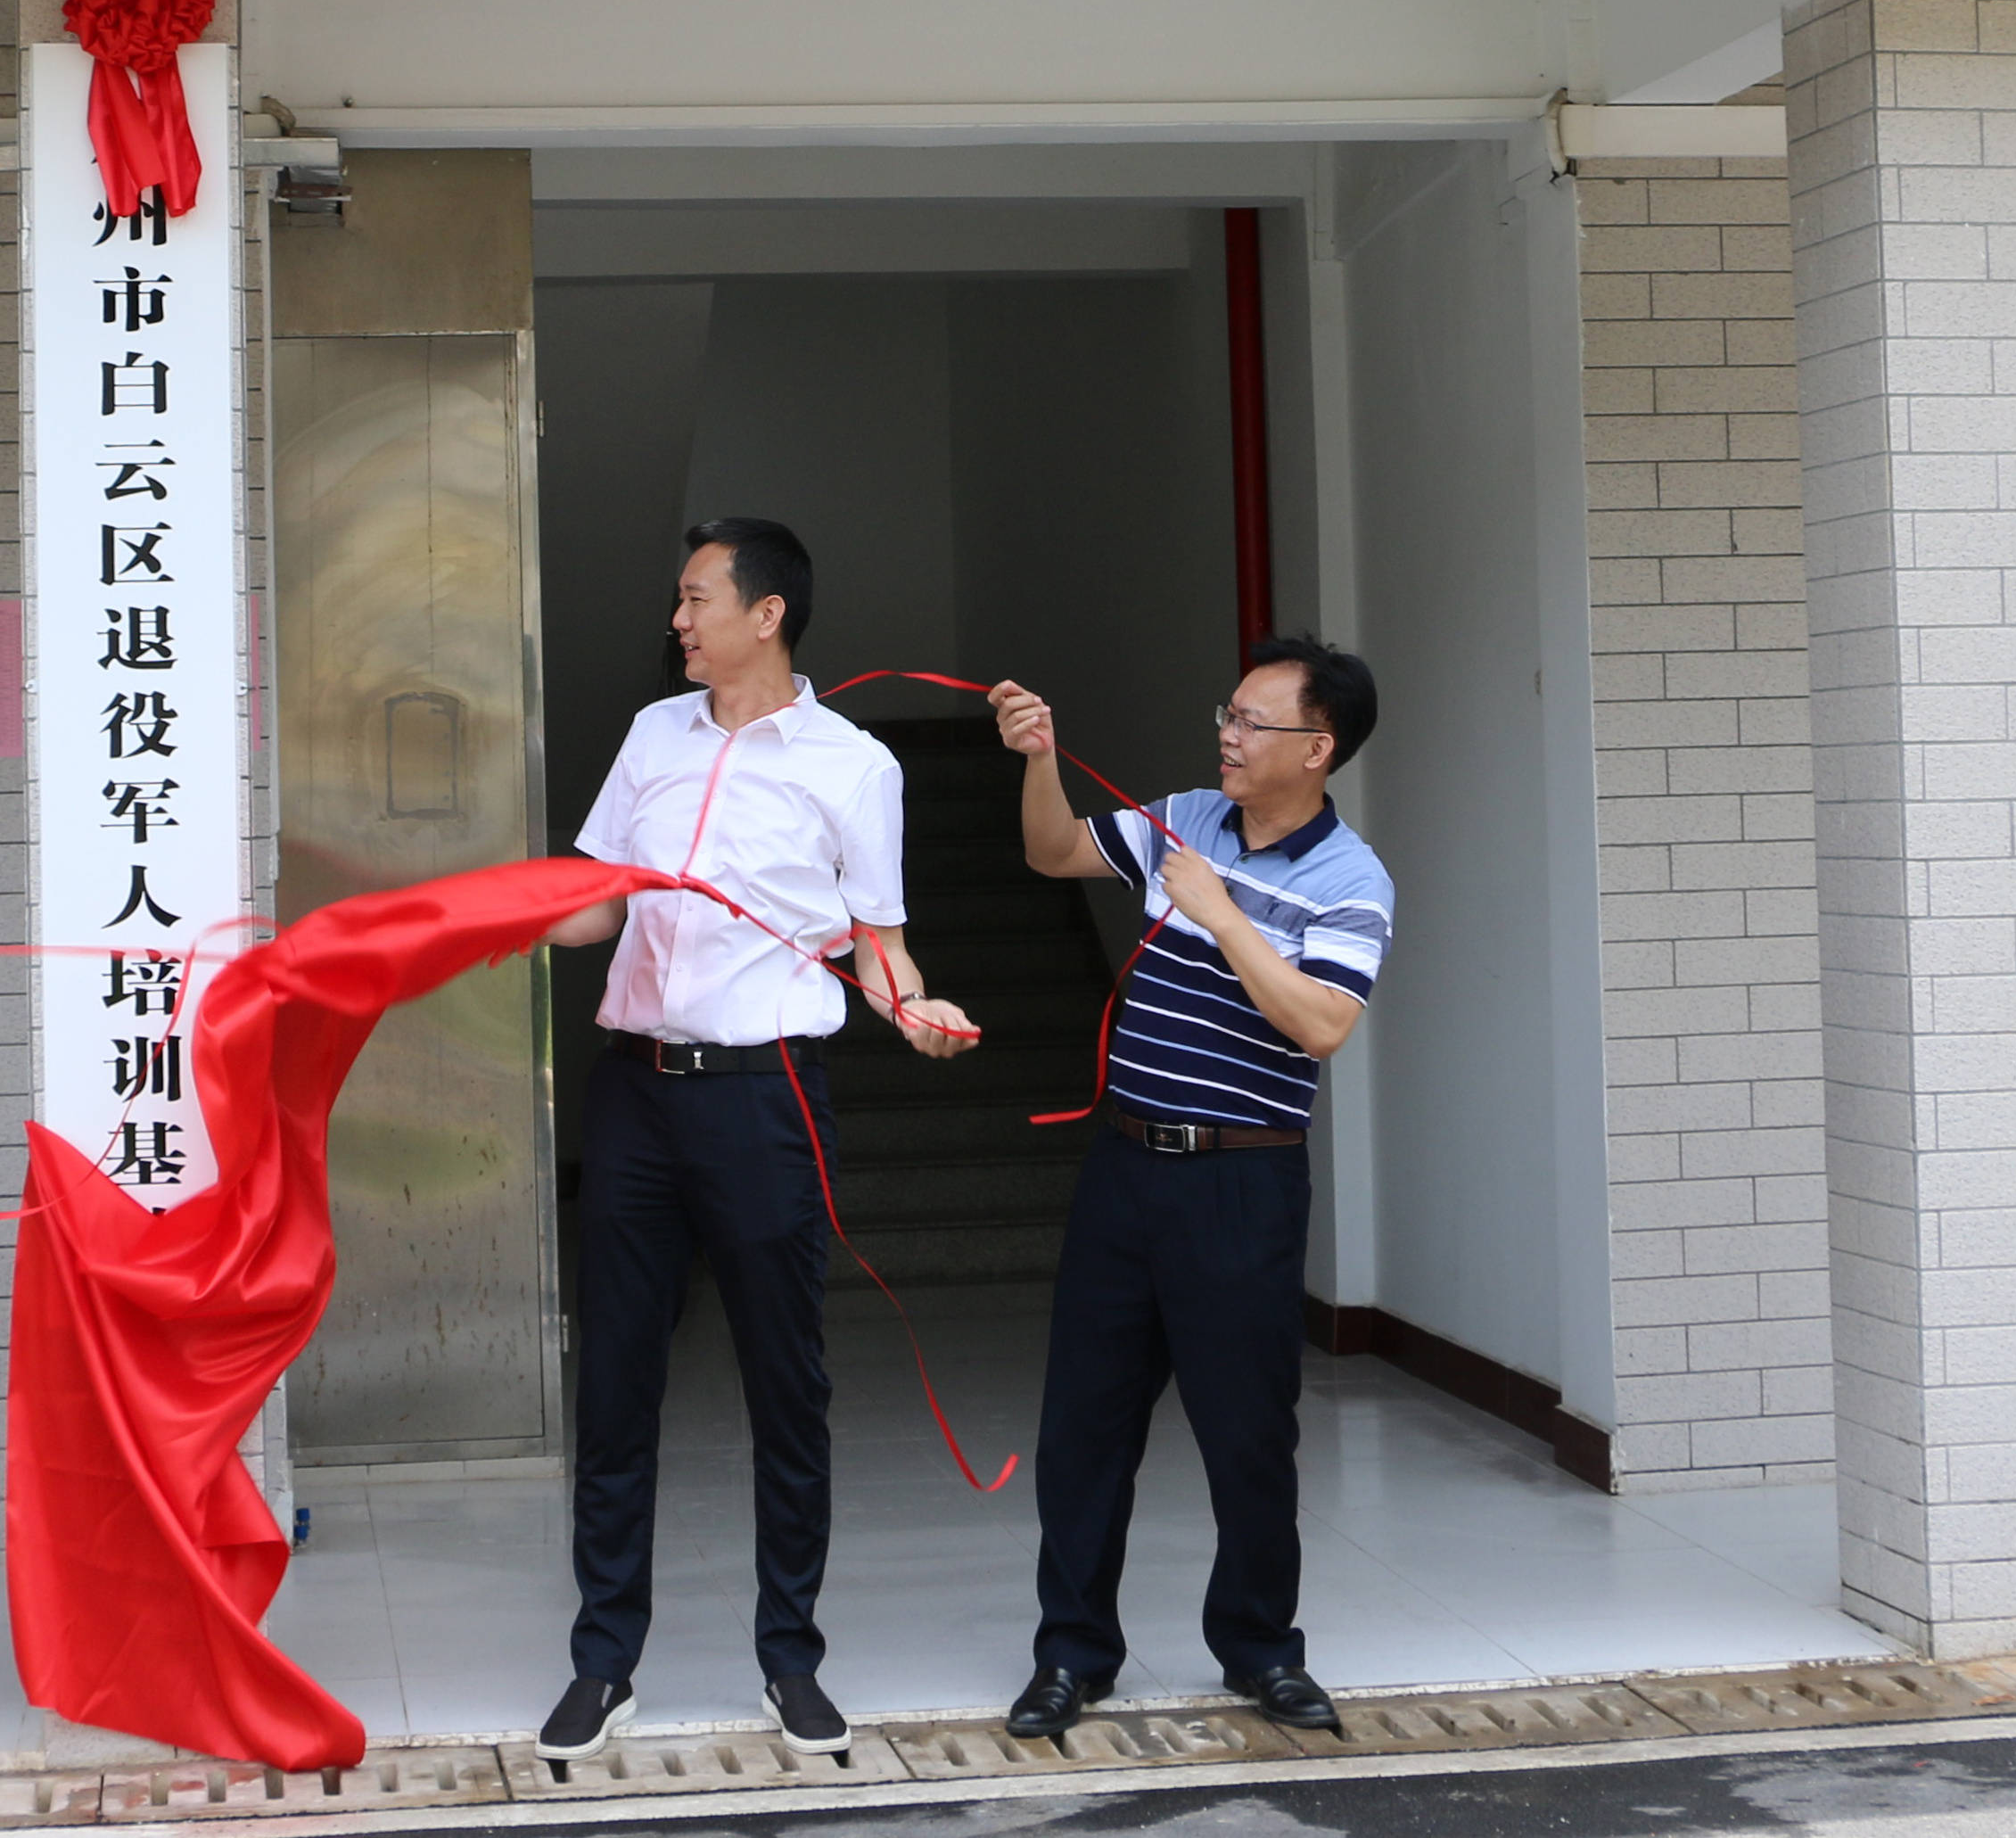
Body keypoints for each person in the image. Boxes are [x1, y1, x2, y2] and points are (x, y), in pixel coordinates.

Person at [533, 518, 981, 1760]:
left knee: (787, 1383)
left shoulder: (850, 764)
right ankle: (603, 1655)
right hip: (633, 1093)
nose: (675, 620)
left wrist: (914, 1007)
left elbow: (874, 942)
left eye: (692, 598)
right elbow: (592, 902)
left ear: (765, 612)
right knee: (616, 1380)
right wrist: (480, 909)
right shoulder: (649, 735)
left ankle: (790, 1655)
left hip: (766, 1092)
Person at [984, 639, 1390, 1743]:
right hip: (1124, 1169)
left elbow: (1321, 1024)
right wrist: (1039, 756)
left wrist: (1221, 915)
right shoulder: (1181, 816)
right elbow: (1054, 850)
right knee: (1084, 1429)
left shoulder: (1351, 878)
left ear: (1317, 749)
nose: (1228, 732)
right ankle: (1071, 1653)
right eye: (1228, 711)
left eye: (1253, 721)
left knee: (1246, 1432)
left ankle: (1260, 1649)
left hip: (1243, 1180)